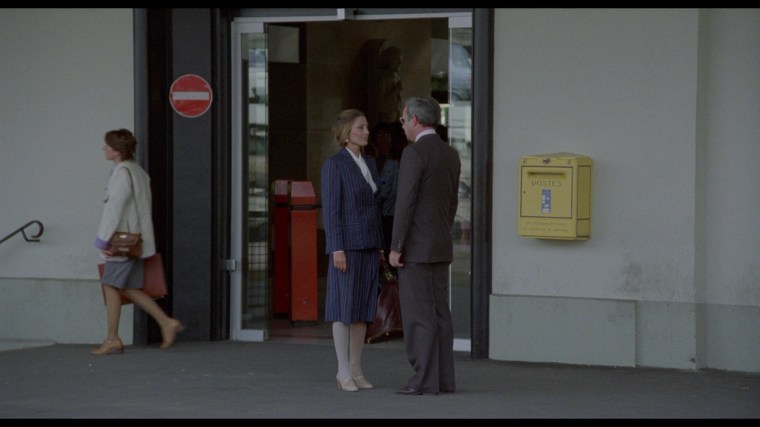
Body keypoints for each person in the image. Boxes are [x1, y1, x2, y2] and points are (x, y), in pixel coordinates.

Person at [389, 96, 461, 395]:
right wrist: (441, 231)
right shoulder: (451, 153)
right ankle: (444, 379)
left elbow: (405, 203)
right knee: (440, 313)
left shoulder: (414, 153)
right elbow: (452, 202)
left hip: (416, 248)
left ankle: (423, 380)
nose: (402, 125)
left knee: (419, 316)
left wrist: (396, 246)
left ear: (415, 120)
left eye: (403, 120)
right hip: (440, 244)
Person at [92, 129, 183, 356]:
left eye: (107, 145)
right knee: (127, 287)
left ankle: (113, 339)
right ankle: (166, 322)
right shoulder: (138, 171)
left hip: (122, 242)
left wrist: (103, 240)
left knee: (110, 284)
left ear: (116, 150)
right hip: (137, 241)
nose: (104, 148)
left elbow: (114, 209)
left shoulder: (122, 173)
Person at [320, 109, 385, 392]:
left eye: (366, 126)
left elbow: (374, 207)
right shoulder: (334, 165)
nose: (366, 132)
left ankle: (356, 368)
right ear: (347, 133)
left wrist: (380, 245)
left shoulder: (369, 162)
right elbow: (332, 211)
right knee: (343, 307)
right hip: (346, 247)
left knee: (363, 311)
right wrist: (336, 248)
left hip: (369, 244)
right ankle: (342, 370)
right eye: (361, 127)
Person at [377, 122, 408, 259]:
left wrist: (379, 185)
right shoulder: (409, 162)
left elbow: (384, 188)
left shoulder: (390, 164)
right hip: (404, 212)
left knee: (389, 246)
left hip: (389, 212)